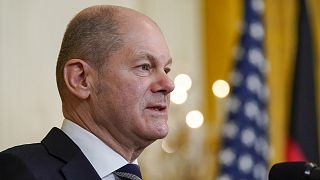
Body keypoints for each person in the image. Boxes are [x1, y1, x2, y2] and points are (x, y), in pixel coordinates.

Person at [0, 5, 174, 180]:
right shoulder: (20, 171)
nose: (168, 84)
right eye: (144, 67)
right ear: (81, 79)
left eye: (166, 70)